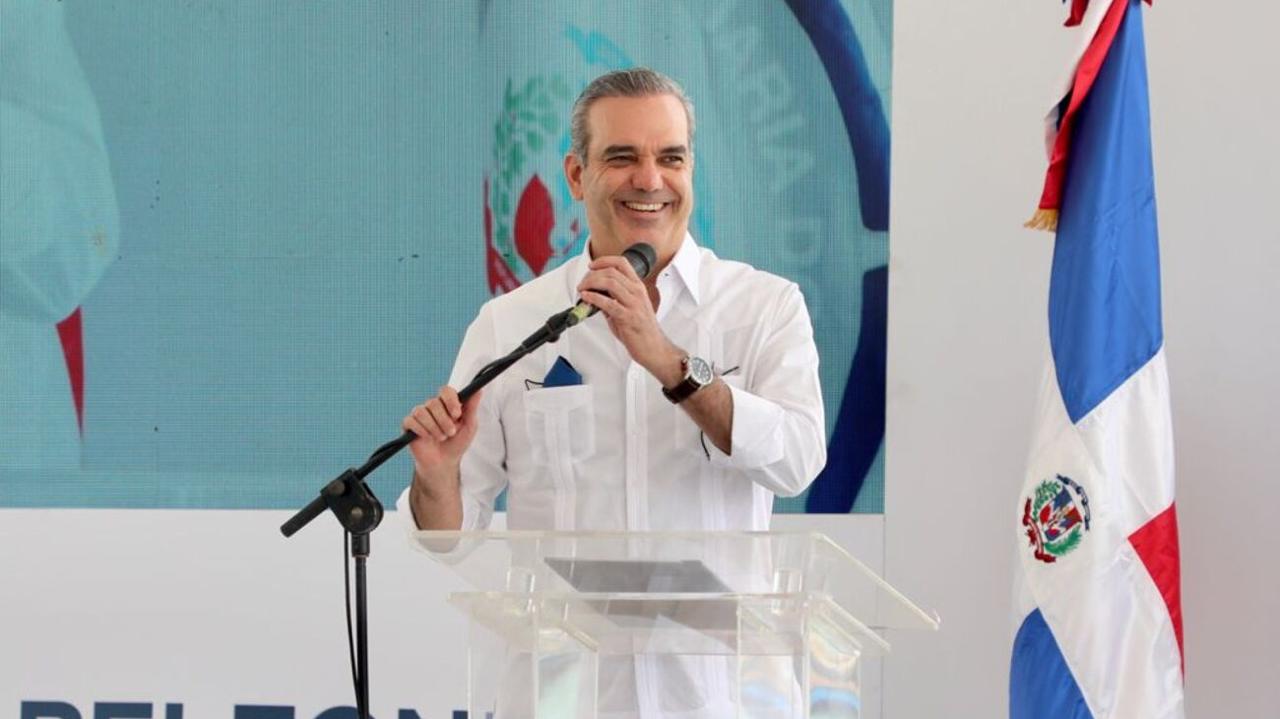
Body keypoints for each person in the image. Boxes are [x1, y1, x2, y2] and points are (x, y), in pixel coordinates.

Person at [397, 67, 826, 717]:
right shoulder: (512, 324)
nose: (649, 180)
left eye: (670, 158)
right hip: (562, 697)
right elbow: (450, 537)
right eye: (622, 158)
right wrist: (437, 476)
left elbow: (797, 460)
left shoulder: (764, 307)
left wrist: (670, 363)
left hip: (716, 699)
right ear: (576, 175)